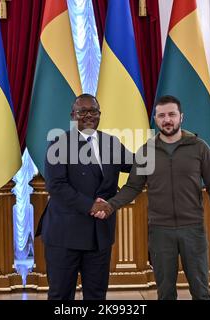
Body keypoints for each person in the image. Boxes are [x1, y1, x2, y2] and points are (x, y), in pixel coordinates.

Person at [92, 95, 210, 300]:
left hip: (193, 230)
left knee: (201, 291)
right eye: (162, 115)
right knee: (165, 293)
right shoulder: (146, 151)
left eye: (172, 114)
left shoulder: (200, 148)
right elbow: (132, 187)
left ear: (181, 117)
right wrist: (109, 206)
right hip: (160, 232)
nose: (167, 120)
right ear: (156, 119)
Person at [38, 93, 133, 300]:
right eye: (83, 111)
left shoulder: (111, 143)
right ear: (73, 115)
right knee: (61, 295)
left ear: (100, 115)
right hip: (65, 234)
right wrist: (92, 206)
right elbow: (56, 186)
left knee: (97, 295)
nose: (88, 115)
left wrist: (164, 147)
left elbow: (137, 164)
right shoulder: (59, 144)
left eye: (94, 111)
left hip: (99, 236)